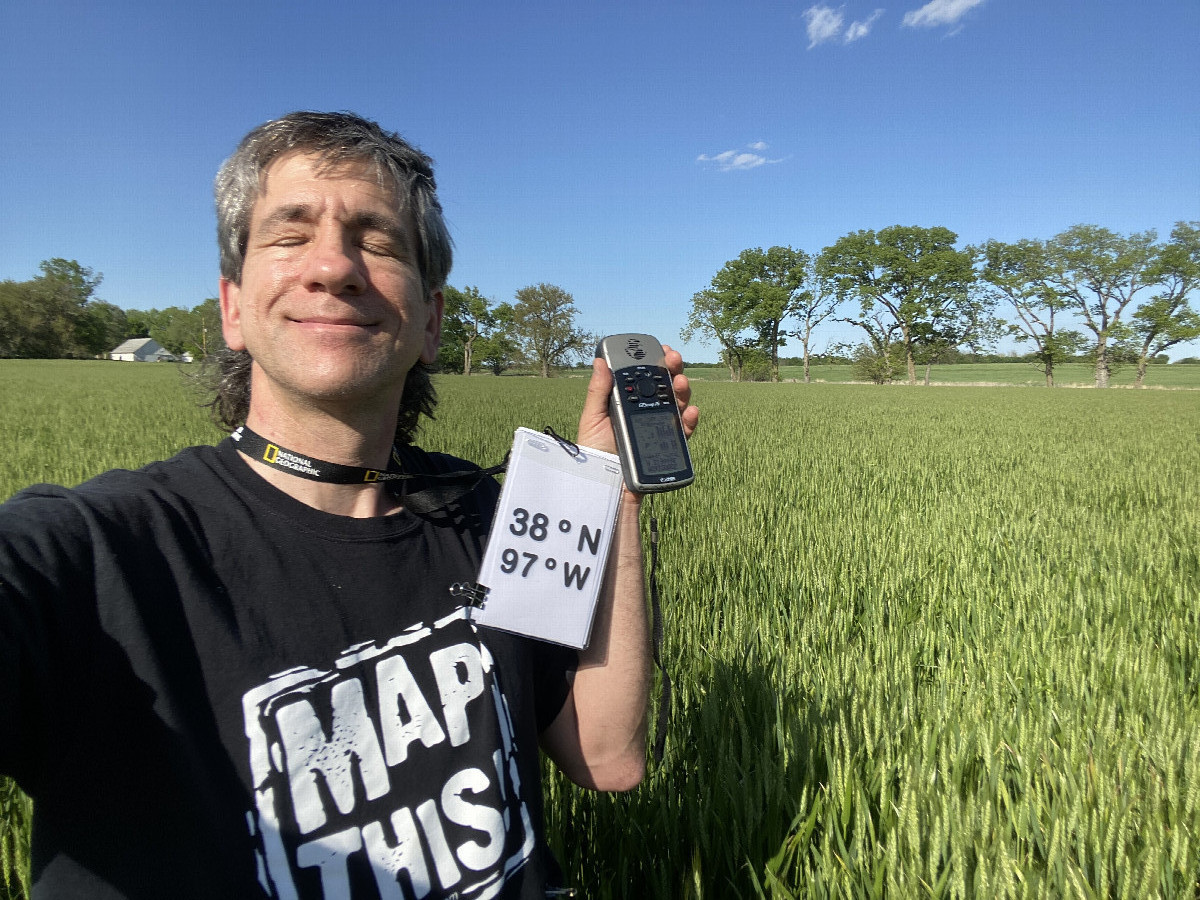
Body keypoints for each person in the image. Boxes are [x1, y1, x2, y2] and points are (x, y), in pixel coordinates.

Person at [0, 111, 699, 899]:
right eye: (289, 235)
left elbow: (606, 756)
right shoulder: (97, 552)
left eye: (377, 239)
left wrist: (613, 486)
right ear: (233, 308)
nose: (334, 266)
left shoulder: (495, 512)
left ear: (431, 322)